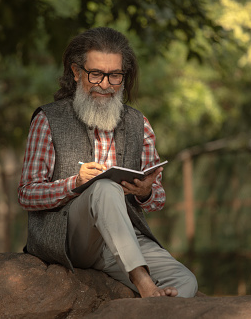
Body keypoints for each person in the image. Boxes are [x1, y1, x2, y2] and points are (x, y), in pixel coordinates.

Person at [17, 27, 198, 298]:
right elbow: (26, 194)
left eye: (114, 75)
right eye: (96, 74)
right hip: (68, 240)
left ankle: (149, 311)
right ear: (76, 72)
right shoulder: (48, 120)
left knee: (185, 282)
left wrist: (145, 192)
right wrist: (74, 183)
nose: (105, 84)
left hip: (122, 242)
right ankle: (144, 284)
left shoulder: (140, 124)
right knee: (104, 189)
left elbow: (158, 198)